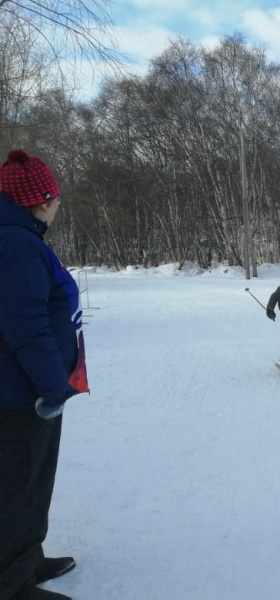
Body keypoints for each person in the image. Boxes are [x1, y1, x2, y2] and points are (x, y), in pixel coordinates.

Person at [1, 149, 90, 600]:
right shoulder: (14, 243)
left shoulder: (20, 237)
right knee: (18, 486)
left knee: (33, 482)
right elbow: (26, 325)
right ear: (41, 200)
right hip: (20, 395)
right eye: (56, 198)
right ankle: (11, 586)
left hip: (27, 390)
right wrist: (53, 387)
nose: (58, 205)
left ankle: (27, 559)